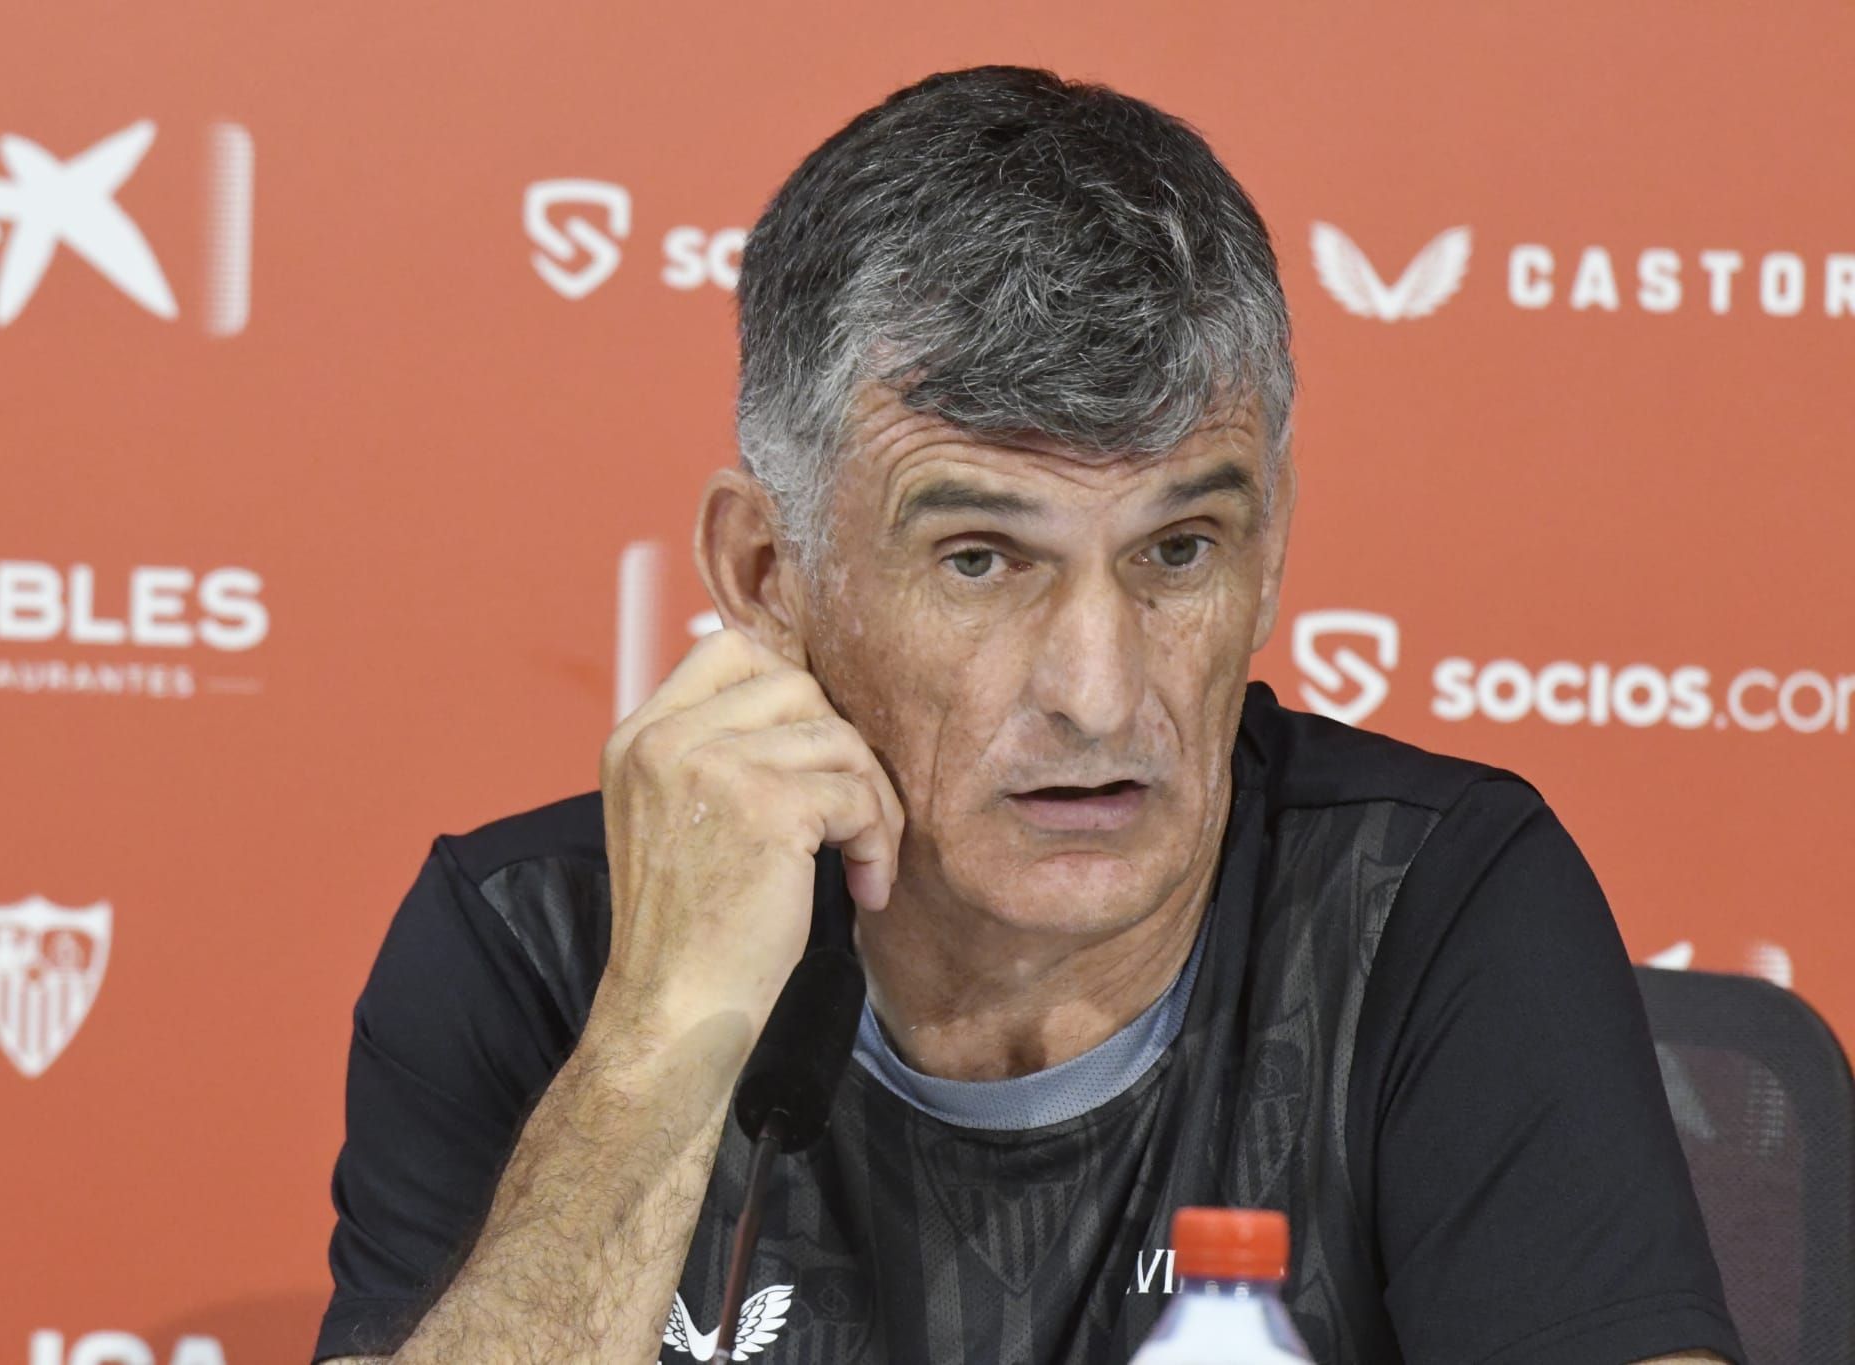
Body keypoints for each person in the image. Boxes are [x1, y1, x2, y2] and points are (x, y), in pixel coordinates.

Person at [313, 66, 1741, 1365]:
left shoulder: (1425, 904)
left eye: (1177, 550)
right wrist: (655, 1043)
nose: (1099, 695)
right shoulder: (540, 941)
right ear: (766, 574)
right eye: (982, 561)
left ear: (1269, 551)